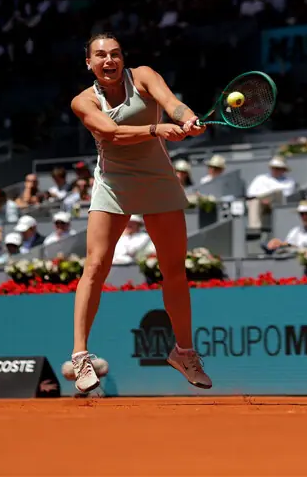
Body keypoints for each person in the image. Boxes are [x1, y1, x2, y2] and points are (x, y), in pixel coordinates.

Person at [65, 32, 212, 393]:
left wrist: (187, 118)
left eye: (115, 54)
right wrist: (157, 128)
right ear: (89, 63)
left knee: (174, 270)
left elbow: (171, 102)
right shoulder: (83, 101)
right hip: (113, 185)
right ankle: (80, 357)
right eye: (100, 56)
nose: (109, 60)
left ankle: (184, 352)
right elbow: (111, 133)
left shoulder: (143, 75)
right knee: (96, 266)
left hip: (158, 179)